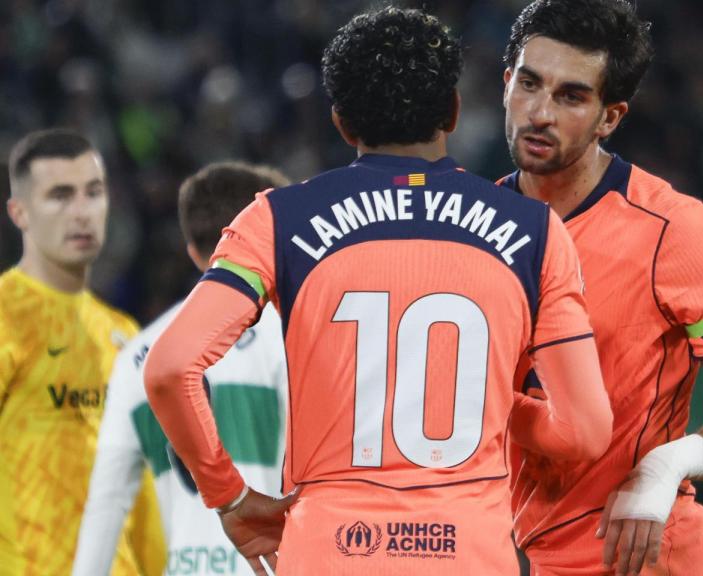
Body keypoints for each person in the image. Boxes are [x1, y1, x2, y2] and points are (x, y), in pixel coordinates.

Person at [143, 7, 613, 576]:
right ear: (454, 111)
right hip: (468, 556)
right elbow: (585, 432)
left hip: (330, 552)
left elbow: (170, 369)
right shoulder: (536, 233)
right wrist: (489, 400)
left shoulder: (277, 220)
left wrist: (230, 496)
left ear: (341, 123)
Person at [499, 1, 703, 574]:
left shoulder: (673, 231)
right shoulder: (473, 228)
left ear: (610, 117)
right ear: (504, 82)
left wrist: (667, 466)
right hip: (525, 556)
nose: (540, 113)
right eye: (529, 84)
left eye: (571, 96)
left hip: (644, 554)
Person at [72, 162, 292, 576]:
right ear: (273, 244)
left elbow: (107, 501)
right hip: (278, 563)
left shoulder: (137, 354)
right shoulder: (293, 335)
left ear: (194, 253)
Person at [0, 128, 165, 575]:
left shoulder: (122, 331)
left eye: (93, 193)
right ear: (20, 212)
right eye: (60, 195)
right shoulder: (6, 316)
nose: (82, 212)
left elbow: (143, 485)